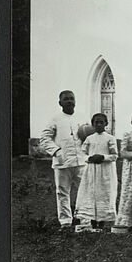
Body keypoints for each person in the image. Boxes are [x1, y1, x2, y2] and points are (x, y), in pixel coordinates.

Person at [38, 90, 88, 231]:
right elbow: (44, 138)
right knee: (62, 192)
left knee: (84, 190)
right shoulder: (55, 119)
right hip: (62, 162)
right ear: (60, 102)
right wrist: (56, 151)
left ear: (75, 101)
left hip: (80, 161)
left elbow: (88, 135)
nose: (69, 101)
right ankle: (65, 222)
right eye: (66, 99)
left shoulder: (82, 117)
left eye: (72, 99)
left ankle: (85, 220)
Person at [74, 113, 118, 232]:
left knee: (103, 194)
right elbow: (82, 153)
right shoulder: (89, 138)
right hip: (92, 170)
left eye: (101, 122)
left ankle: (102, 223)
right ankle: (93, 223)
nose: (99, 125)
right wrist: (90, 158)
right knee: (92, 194)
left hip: (105, 171)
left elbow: (114, 156)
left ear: (106, 124)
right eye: (96, 123)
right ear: (93, 125)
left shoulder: (110, 138)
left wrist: (103, 157)